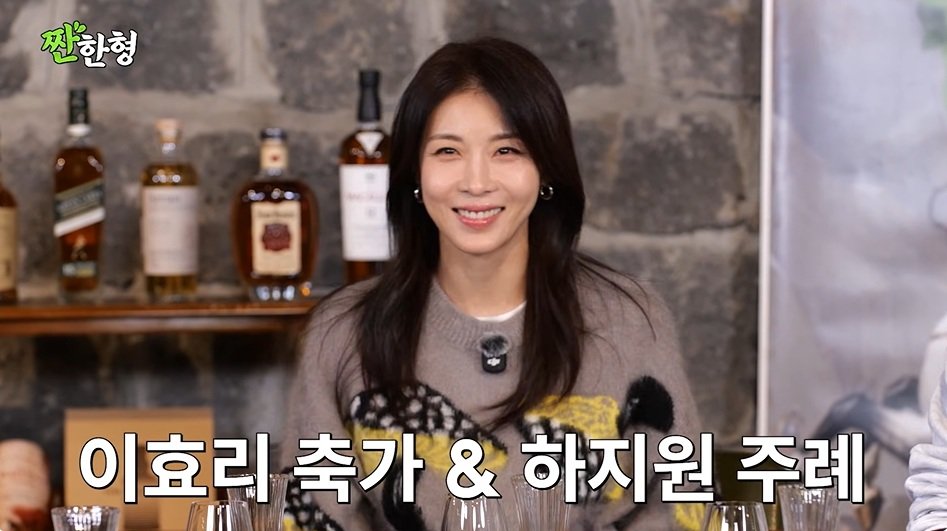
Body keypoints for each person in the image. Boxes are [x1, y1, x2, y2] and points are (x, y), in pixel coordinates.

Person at [280, 37, 701, 531]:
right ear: (415, 173)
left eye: (506, 150)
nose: (476, 182)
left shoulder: (631, 320)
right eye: (447, 151)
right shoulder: (341, 333)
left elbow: (680, 513)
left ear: (545, 169)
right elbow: (309, 519)